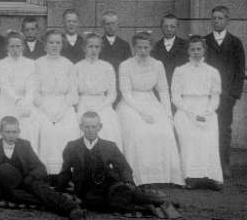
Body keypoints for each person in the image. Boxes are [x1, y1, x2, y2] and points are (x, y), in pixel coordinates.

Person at [0, 116, 85, 220]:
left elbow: (40, 167)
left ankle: (72, 208)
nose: (11, 135)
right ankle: (62, 203)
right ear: (0, 132)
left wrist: (30, 177)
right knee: (13, 192)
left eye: (14, 132)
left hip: (26, 180)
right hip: (8, 186)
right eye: (7, 132)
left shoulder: (25, 145)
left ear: (19, 132)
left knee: (39, 188)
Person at [57, 112, 167, 214]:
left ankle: (146, 197)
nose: (90, 130)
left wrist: (128, 182)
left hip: (108, 185)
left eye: (94, 127)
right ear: (81, 127)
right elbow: (65, 171)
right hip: (85, 189)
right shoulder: (72, 146)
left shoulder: (109, 146)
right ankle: (140, 203)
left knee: (128, 194)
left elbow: (124, 167)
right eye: (87, 127)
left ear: (100, 127)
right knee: (103, 203)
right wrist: (59, 189)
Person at [116, 32, 183, 186]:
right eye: (139, 47)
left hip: (152, 101)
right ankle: (139, 176)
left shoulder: (158, 65)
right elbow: (126, 92)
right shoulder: (125, 65)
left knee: (165, 132)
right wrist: (141, 113)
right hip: (131, 103)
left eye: (146, 47)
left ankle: (161, 176)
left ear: (151, 47)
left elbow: (163, 90)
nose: (142, 51)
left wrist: (168, 113)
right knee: (137, 133)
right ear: (133, 48)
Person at [172, 36, 223, 190]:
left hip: (206, 109)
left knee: (208, 139)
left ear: (204, 50)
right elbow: (175, 97)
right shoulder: (180, 71)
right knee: (190, 139)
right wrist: (191, 113)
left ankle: (210, 176)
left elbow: (215, 96)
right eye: (192, 49)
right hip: (185, 110)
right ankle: (191, 176)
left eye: (199, 49)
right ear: (188, 51)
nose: (195, 52)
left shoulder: (213, 71)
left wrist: (208, 112)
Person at [204, 6, 245, 179]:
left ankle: (224, 163)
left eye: (220, 18)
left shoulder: (235, 42)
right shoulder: (205, 41)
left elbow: (240, 70)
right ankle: (207, 165)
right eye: (214, 18)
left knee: (224, 130)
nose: (217, 21)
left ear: (227, 20)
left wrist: (234, 94)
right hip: (207, 96)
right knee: (207, 129)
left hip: (227, 96)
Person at [31, 30, 79, 175]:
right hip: (43, 105)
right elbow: (34, 91)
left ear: (62, 45)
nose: (54, 45)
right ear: (45, 45)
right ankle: (47, 173)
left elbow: (73, 92)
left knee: (68, 130)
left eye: (58, 42)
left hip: (64, 105)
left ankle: (66, 172)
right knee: (47, 131)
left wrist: (62, 110)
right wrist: (45, 109)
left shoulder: (69, 64)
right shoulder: (37, 64)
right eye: (51, 42)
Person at [74, 33, 122, 149]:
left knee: (107, 127)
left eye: (97, 46)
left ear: (100, 48)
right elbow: (73, 92)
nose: (94, 50)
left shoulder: (107, 67)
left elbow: (112, 94)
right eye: (90, 46)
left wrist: (99, 107)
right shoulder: (77, 67)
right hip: (83, 103)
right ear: (84, 48)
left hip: (103, 104)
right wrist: (80, 106)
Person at [0, 32, 37, 146]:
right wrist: (18, 101)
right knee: (5, 125)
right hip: (6, 101)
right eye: (12, 46)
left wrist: (27, 104)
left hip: (26, 101)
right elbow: (4, 85)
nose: (15, 49)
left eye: (18, 46)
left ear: (23, 47)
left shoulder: (31, 64)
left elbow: (32, 86)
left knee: (29, 126)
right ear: (7, 47)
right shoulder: (0, 64)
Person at [151, 13, 189, 87]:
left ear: (177, 27)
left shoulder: (186, 46)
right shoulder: (154, 47)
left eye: (172, 26)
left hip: (180, 87)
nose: (169, 29)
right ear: (161, 27)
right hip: (160, 88)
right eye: (166, 26)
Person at [99, 10, 132, 78]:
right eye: (107, 24)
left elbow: (129, 67)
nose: (111, 27)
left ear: (118, 25)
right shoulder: (97, 44)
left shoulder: (125, 45)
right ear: (103, 25)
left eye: (113, 23)